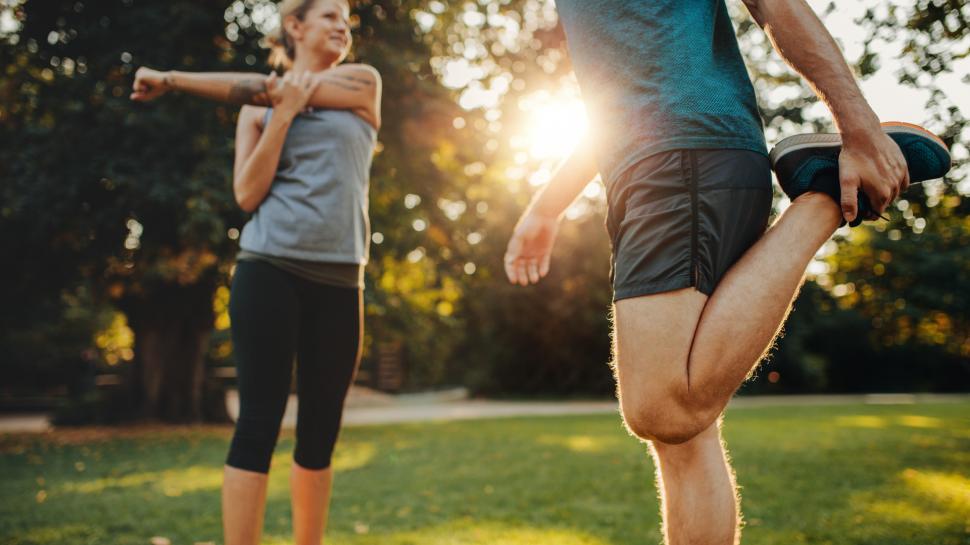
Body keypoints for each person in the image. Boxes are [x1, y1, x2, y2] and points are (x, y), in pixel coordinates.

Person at [503, 1, 949, 544]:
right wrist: (546, 209)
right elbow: (612, 104)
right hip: (653, 168)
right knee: (682, 440)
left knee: (661, 409)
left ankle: (823, 199)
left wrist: (859, 129)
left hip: (683, 157)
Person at [130, 1, 381, 544]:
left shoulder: (362, 84)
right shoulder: (257, 109)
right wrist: (283, 115)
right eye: (329, 16)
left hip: (341, 279)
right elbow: (247, 194)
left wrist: (173, 80)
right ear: (295, 26)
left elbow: (265, 87)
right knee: (258, 422)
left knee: (320, 431)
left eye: (345, 19)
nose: (342, 26)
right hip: (269, 268)